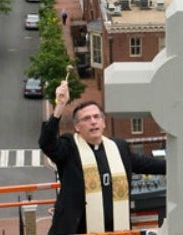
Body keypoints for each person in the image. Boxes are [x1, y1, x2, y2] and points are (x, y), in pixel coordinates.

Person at [39, 80, 166, 234]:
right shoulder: (69, 147)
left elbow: (148, 164)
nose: (93, 122)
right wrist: (59, 106)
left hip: (116, 230)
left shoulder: (118, 147)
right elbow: (46, 143)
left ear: (103, 122)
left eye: (96, 117)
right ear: (77, 127)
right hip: (75, 230)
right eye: (86, 119)